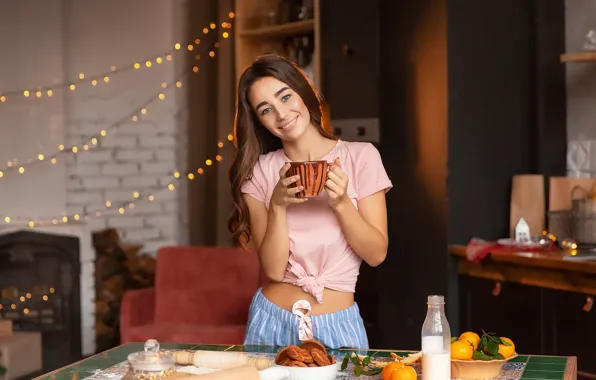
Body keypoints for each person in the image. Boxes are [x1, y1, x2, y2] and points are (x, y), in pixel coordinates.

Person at [228, 54, 392, 349]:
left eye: (285, 96)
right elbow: (275, 271)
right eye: (266, 109)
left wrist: (341, 203)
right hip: (271, 321)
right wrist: (278, 205)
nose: (281, 114)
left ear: (304, 91)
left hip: (338, 325)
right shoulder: (260, 171)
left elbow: (376, 254)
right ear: (259, 121)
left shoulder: (361, 157)